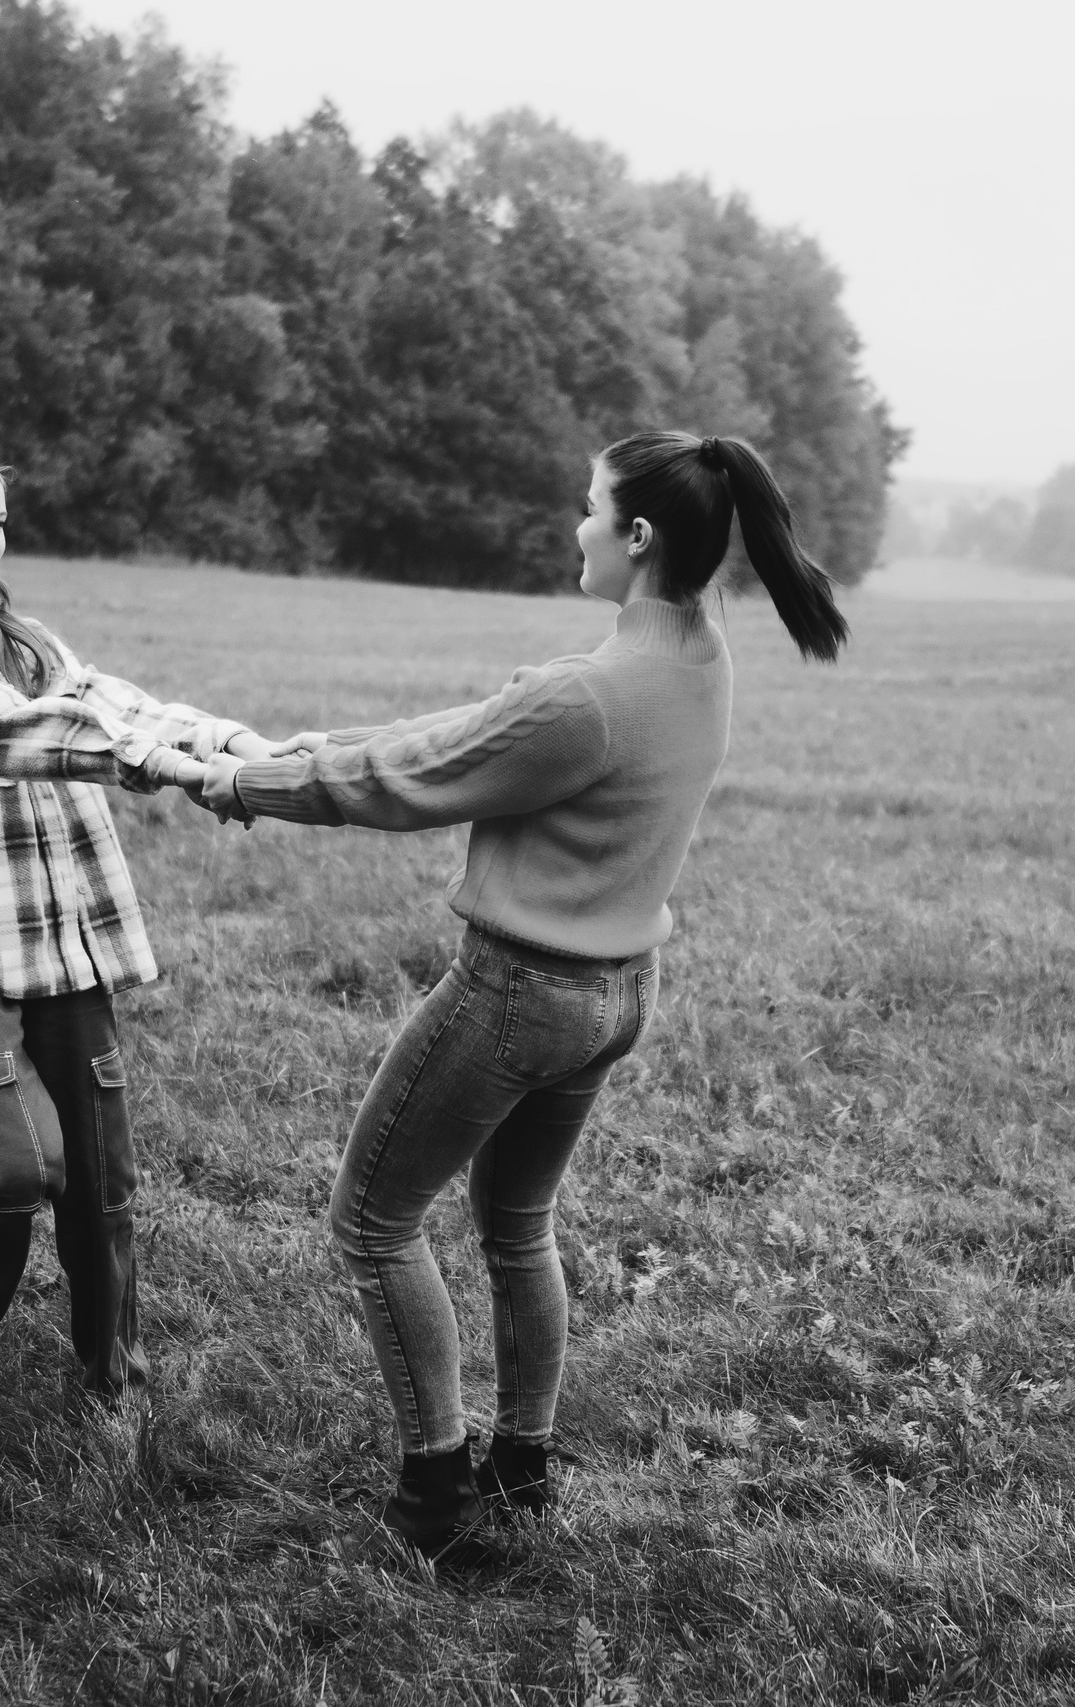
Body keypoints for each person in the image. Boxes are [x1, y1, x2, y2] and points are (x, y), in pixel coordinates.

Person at [196, 431, 847, 1554]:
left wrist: (250, 783)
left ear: (637, 536)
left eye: (589, 507)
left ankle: (433, 1494)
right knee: (516, 1224)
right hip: (615, 995)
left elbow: (417, 778)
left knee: (371, 1224)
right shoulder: (697, 652)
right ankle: (523, 1466)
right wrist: (304, 745)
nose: (575, 525)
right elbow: (456, 738)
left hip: (517, 995)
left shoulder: (588, 699)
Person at [0, 437, 269, 1425]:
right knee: (17, 1168)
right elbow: (9, 731)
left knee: (100, 1187)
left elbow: (113, 701)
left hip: (60, 950)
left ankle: (111, 1386)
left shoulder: (24, 642)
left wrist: (236, 745)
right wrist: (160, 767)